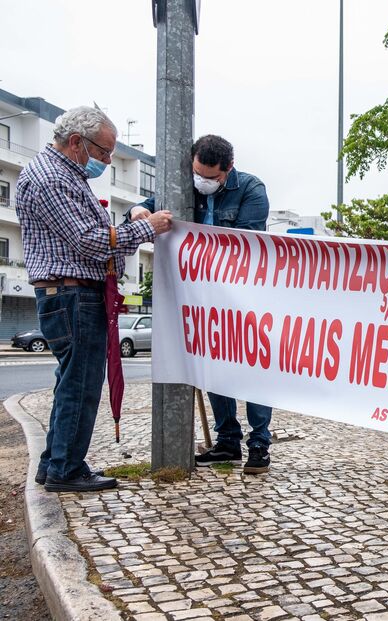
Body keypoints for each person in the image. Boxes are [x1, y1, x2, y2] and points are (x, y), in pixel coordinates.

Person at [17, 106, 173, 492]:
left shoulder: (62, 174)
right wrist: (145, 228)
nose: (107, 160)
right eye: (103, 151)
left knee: (71, 381)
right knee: (82, 385)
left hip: (70, 292)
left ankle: (55, 461)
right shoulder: (52, 177)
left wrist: (128, 228)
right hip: (73, 294)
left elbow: (94, 237)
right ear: (76, 142)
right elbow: (88, 240)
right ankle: (66, 470)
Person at [129, 134, 272, 474]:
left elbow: (243, 245)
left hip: (244, 297)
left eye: (211, 177)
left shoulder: (251, 189)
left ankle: (259, 444)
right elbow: (146, 207)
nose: (201, 182)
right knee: (213, 369)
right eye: (197, 173)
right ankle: (227, 442)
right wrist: (138, 210)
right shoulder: (184, 186)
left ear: (228, 169)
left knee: (254, 371)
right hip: (202, 300)